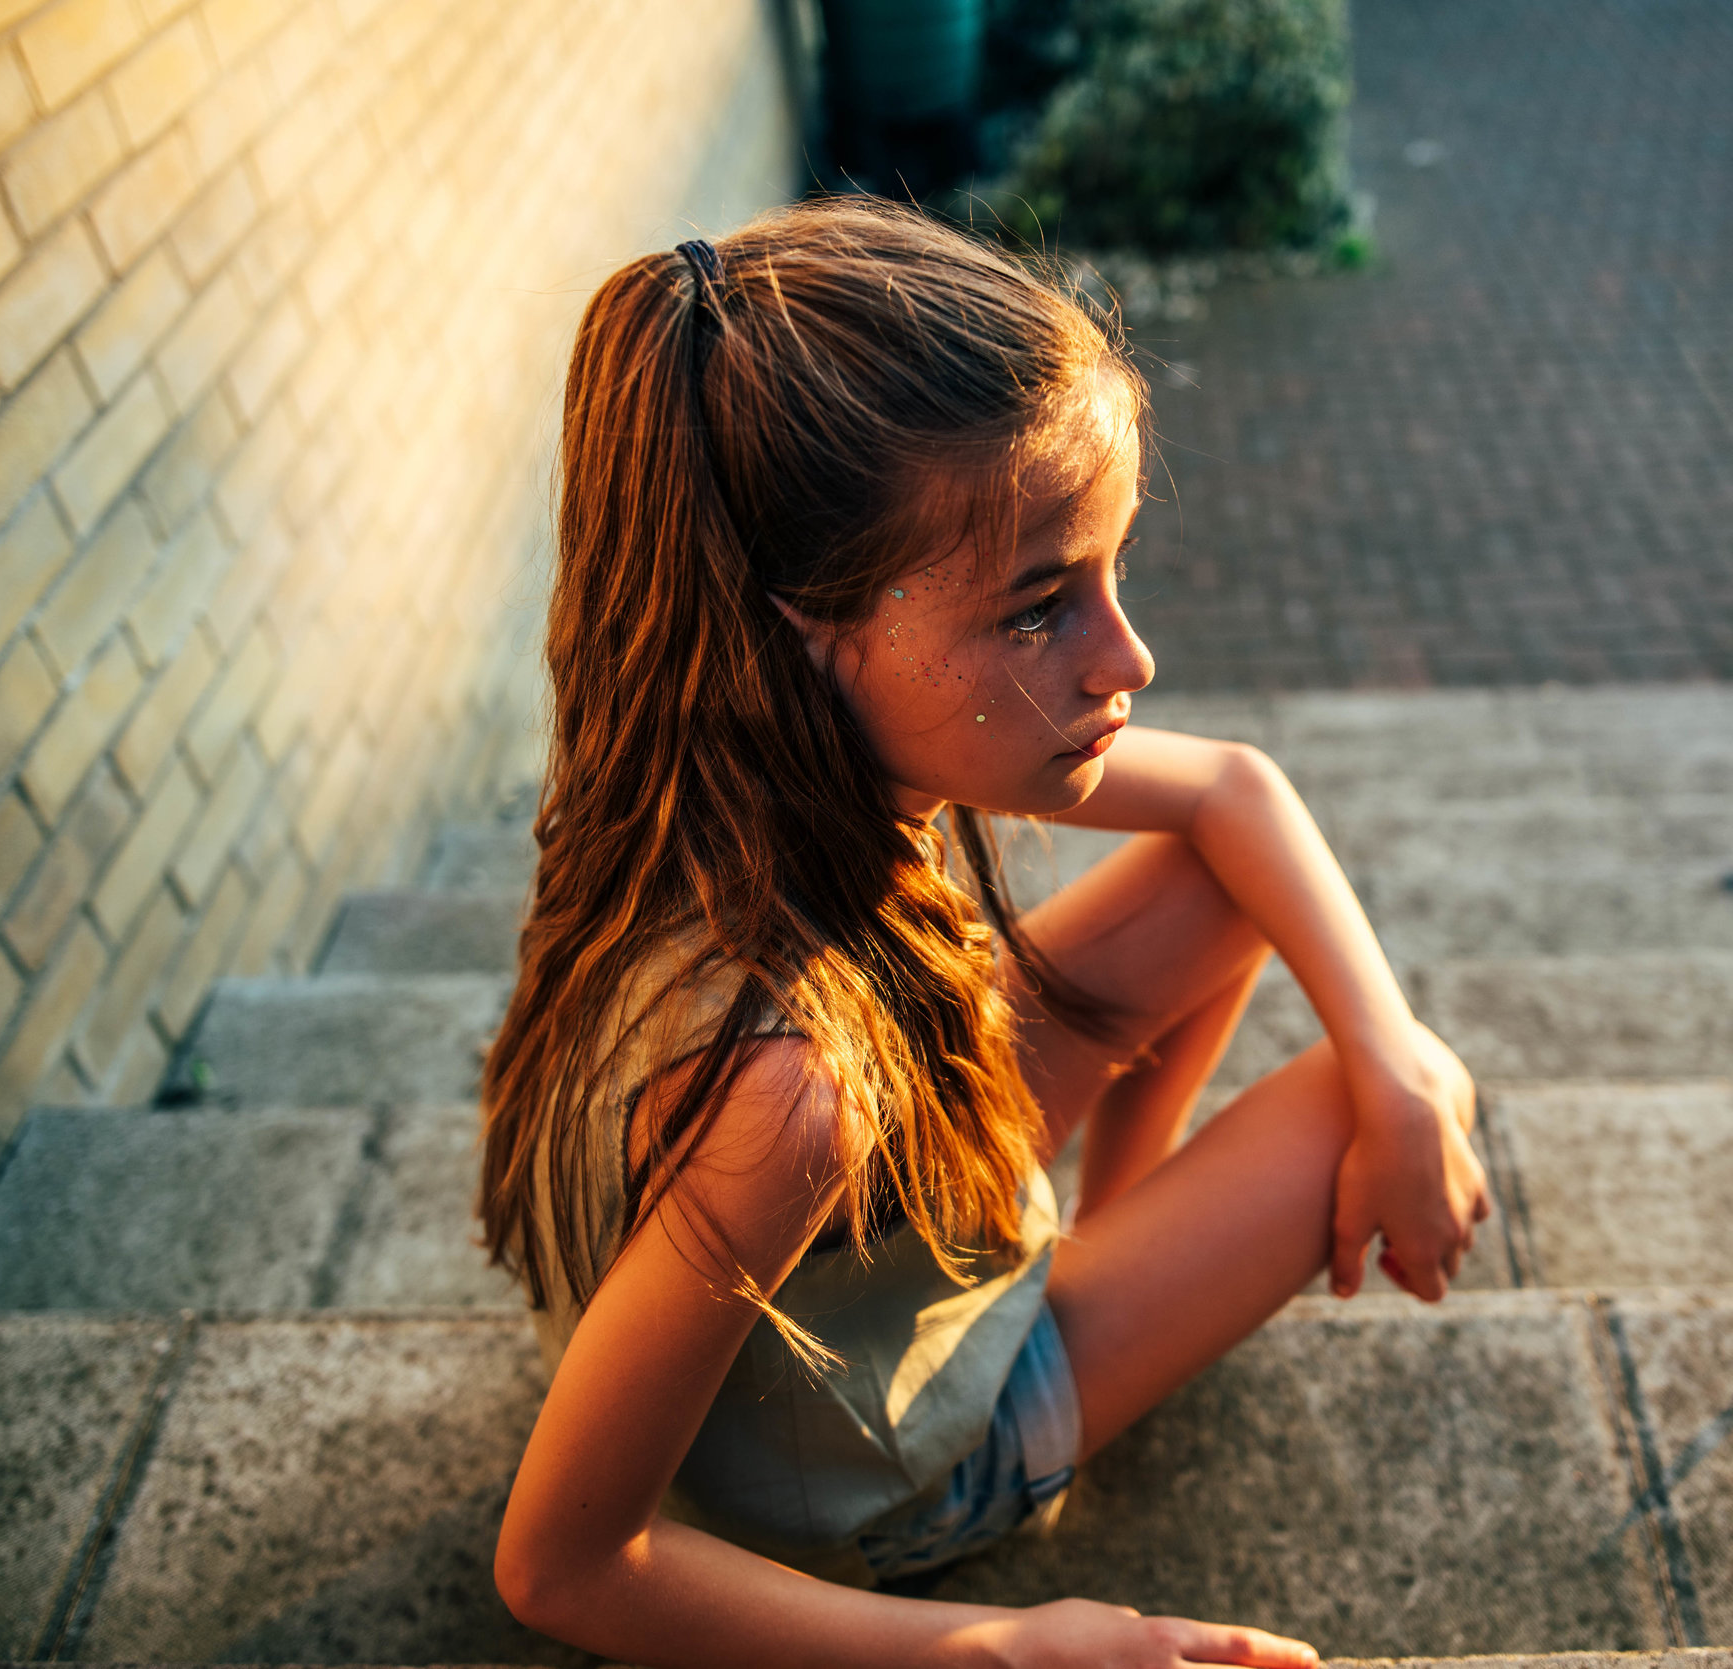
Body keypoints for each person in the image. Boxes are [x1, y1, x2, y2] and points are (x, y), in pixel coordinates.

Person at [478, 197, 1489, 1669]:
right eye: (1038, 609)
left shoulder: (702, 793)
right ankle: (1080, 1319)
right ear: (810, 636)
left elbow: (1230, 791)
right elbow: (561, 1564)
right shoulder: (782, 1096)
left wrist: (1393, 1057)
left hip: (870, 1254)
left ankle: (1105, 1247)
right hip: (893, 1467)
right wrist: (993, 1650)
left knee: (1294, 957)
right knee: (1373, 1092)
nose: (1126, 656)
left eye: (1111, 573)